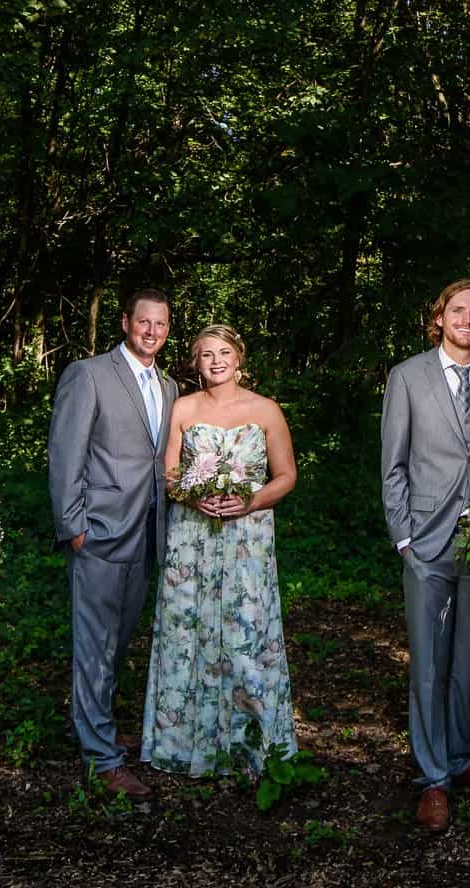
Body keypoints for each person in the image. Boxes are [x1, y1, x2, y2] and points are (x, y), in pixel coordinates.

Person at [379, 279, 470, 831]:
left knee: (468, 660)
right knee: (429, 664)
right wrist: (404, 536)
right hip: (426, 542)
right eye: (458, 310)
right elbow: (394, 463)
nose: (467, 319)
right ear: (439, 317)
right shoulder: (408, 376)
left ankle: (460, 759)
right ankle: (431, 778)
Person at [141, 325, 299, 776]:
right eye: (206, 354)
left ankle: (252, 745)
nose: (215, 360)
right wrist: (192, 496)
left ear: (239, 357)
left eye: (224, 352)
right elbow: (169, 472)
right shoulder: (184, 409)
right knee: (189, 630)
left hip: (247, 538)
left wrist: (250, 500)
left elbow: (285, 476)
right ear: (196, 362)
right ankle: (187, 743)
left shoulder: (266, 410)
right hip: (192, 537)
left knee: (247, 631)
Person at [48, 288, 178, 801]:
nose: (151, 331)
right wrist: (73, 525)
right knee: (94, 646)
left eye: (161, 325)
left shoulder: (168, 386)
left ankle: (95, 725)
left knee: (117, 643)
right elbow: (65, 453)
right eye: (144, 322)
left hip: (148, 532)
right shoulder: (89, 373)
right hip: (99, 530)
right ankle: (101, 758)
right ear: (126, 322)